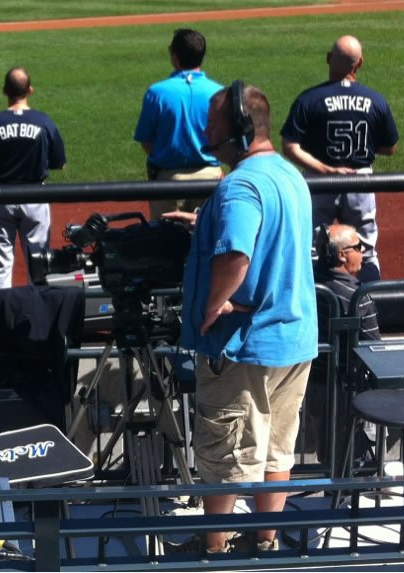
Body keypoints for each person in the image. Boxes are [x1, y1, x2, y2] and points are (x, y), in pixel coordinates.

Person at [165, 82, 317, 555]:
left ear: (241, 128)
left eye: (214, 125)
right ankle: (265, 542)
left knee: (223, 456)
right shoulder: (288, 174)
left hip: (243, 346)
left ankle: (214, 550)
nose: (206, 132)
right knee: (275, 451)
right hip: (292, 339)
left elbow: (236, 255)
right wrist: (206, 220)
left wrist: (213, 306)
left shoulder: (240, 186)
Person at [280, 35, 399, 282]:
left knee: (312, 245)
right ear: (360, 63)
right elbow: (390, 147)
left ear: (328, 59)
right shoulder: (375, 100)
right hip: (361, 181)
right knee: (364, 247)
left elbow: (290, 147)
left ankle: (316, 302)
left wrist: (325, 168)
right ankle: (368, 301)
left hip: (318, 181)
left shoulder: (309, 99)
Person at [0, 68, 67, 292]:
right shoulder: (44, 122)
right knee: (39, 264)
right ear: (30, 90)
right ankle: (37, 316)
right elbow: (60, 163)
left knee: (1, 266)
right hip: (35, 198)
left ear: (5, 90)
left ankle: (2, 319)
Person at [306, 223, 379, 472]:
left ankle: (332, 499)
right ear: (341, 255)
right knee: (350, 460)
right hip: (346, 393)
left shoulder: (309, 281)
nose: (364, 252)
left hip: (313, 383)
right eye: (358, 247)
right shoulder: (356, 296)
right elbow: (373, 347)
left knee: (328, 457)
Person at [134, 28, 224, 218]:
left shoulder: (156, 92)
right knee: (208, 239)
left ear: (174, 56)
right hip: (210, 178)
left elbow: (146, 141)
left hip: (168, 181)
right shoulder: (219, 92)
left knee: (166, 242)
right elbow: (226, 139)